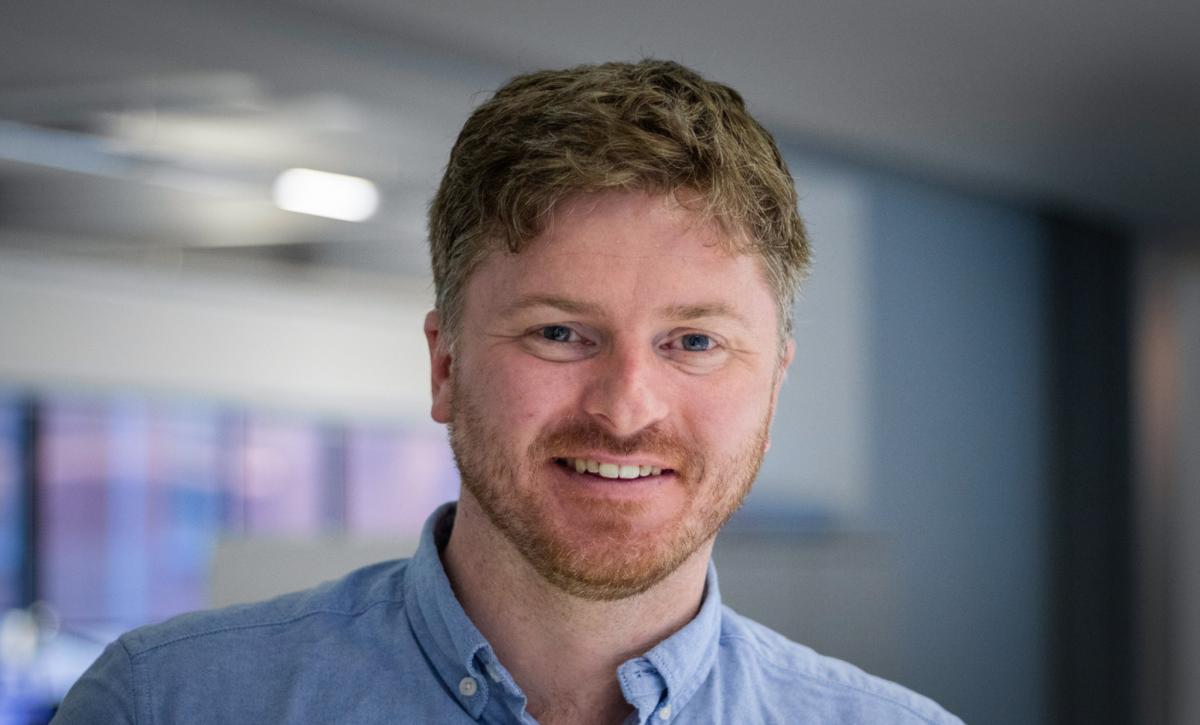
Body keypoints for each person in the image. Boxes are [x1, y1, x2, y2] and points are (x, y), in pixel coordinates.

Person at [53, 60, 962, 724]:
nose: (627, 406)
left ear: (773, 382)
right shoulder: (167, 703)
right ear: (444, 365)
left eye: (694, 340)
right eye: (560, 333)